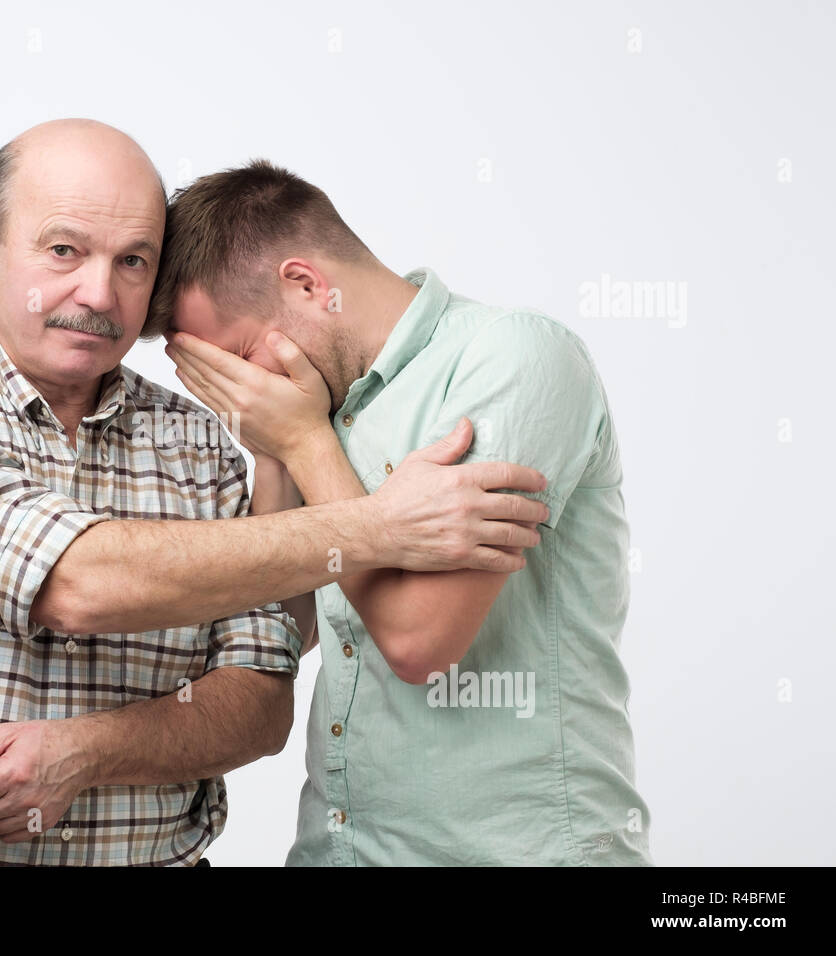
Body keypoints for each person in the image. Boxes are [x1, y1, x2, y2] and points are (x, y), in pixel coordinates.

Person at [0, 121, 549, 866]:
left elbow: (261, 701)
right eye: (64, 250)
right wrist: (383, 522)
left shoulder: (201, 444)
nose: (99, 293)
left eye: (132, 261)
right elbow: (75, 583)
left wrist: (88, 752)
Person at [158, 158, 653, 865]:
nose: (241, 393)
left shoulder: (512, 359)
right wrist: (274, 449)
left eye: (238, 358)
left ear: (306, 285)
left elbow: (421, 641)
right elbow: (282, 631)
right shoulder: (315, 409)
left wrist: (303, 440)